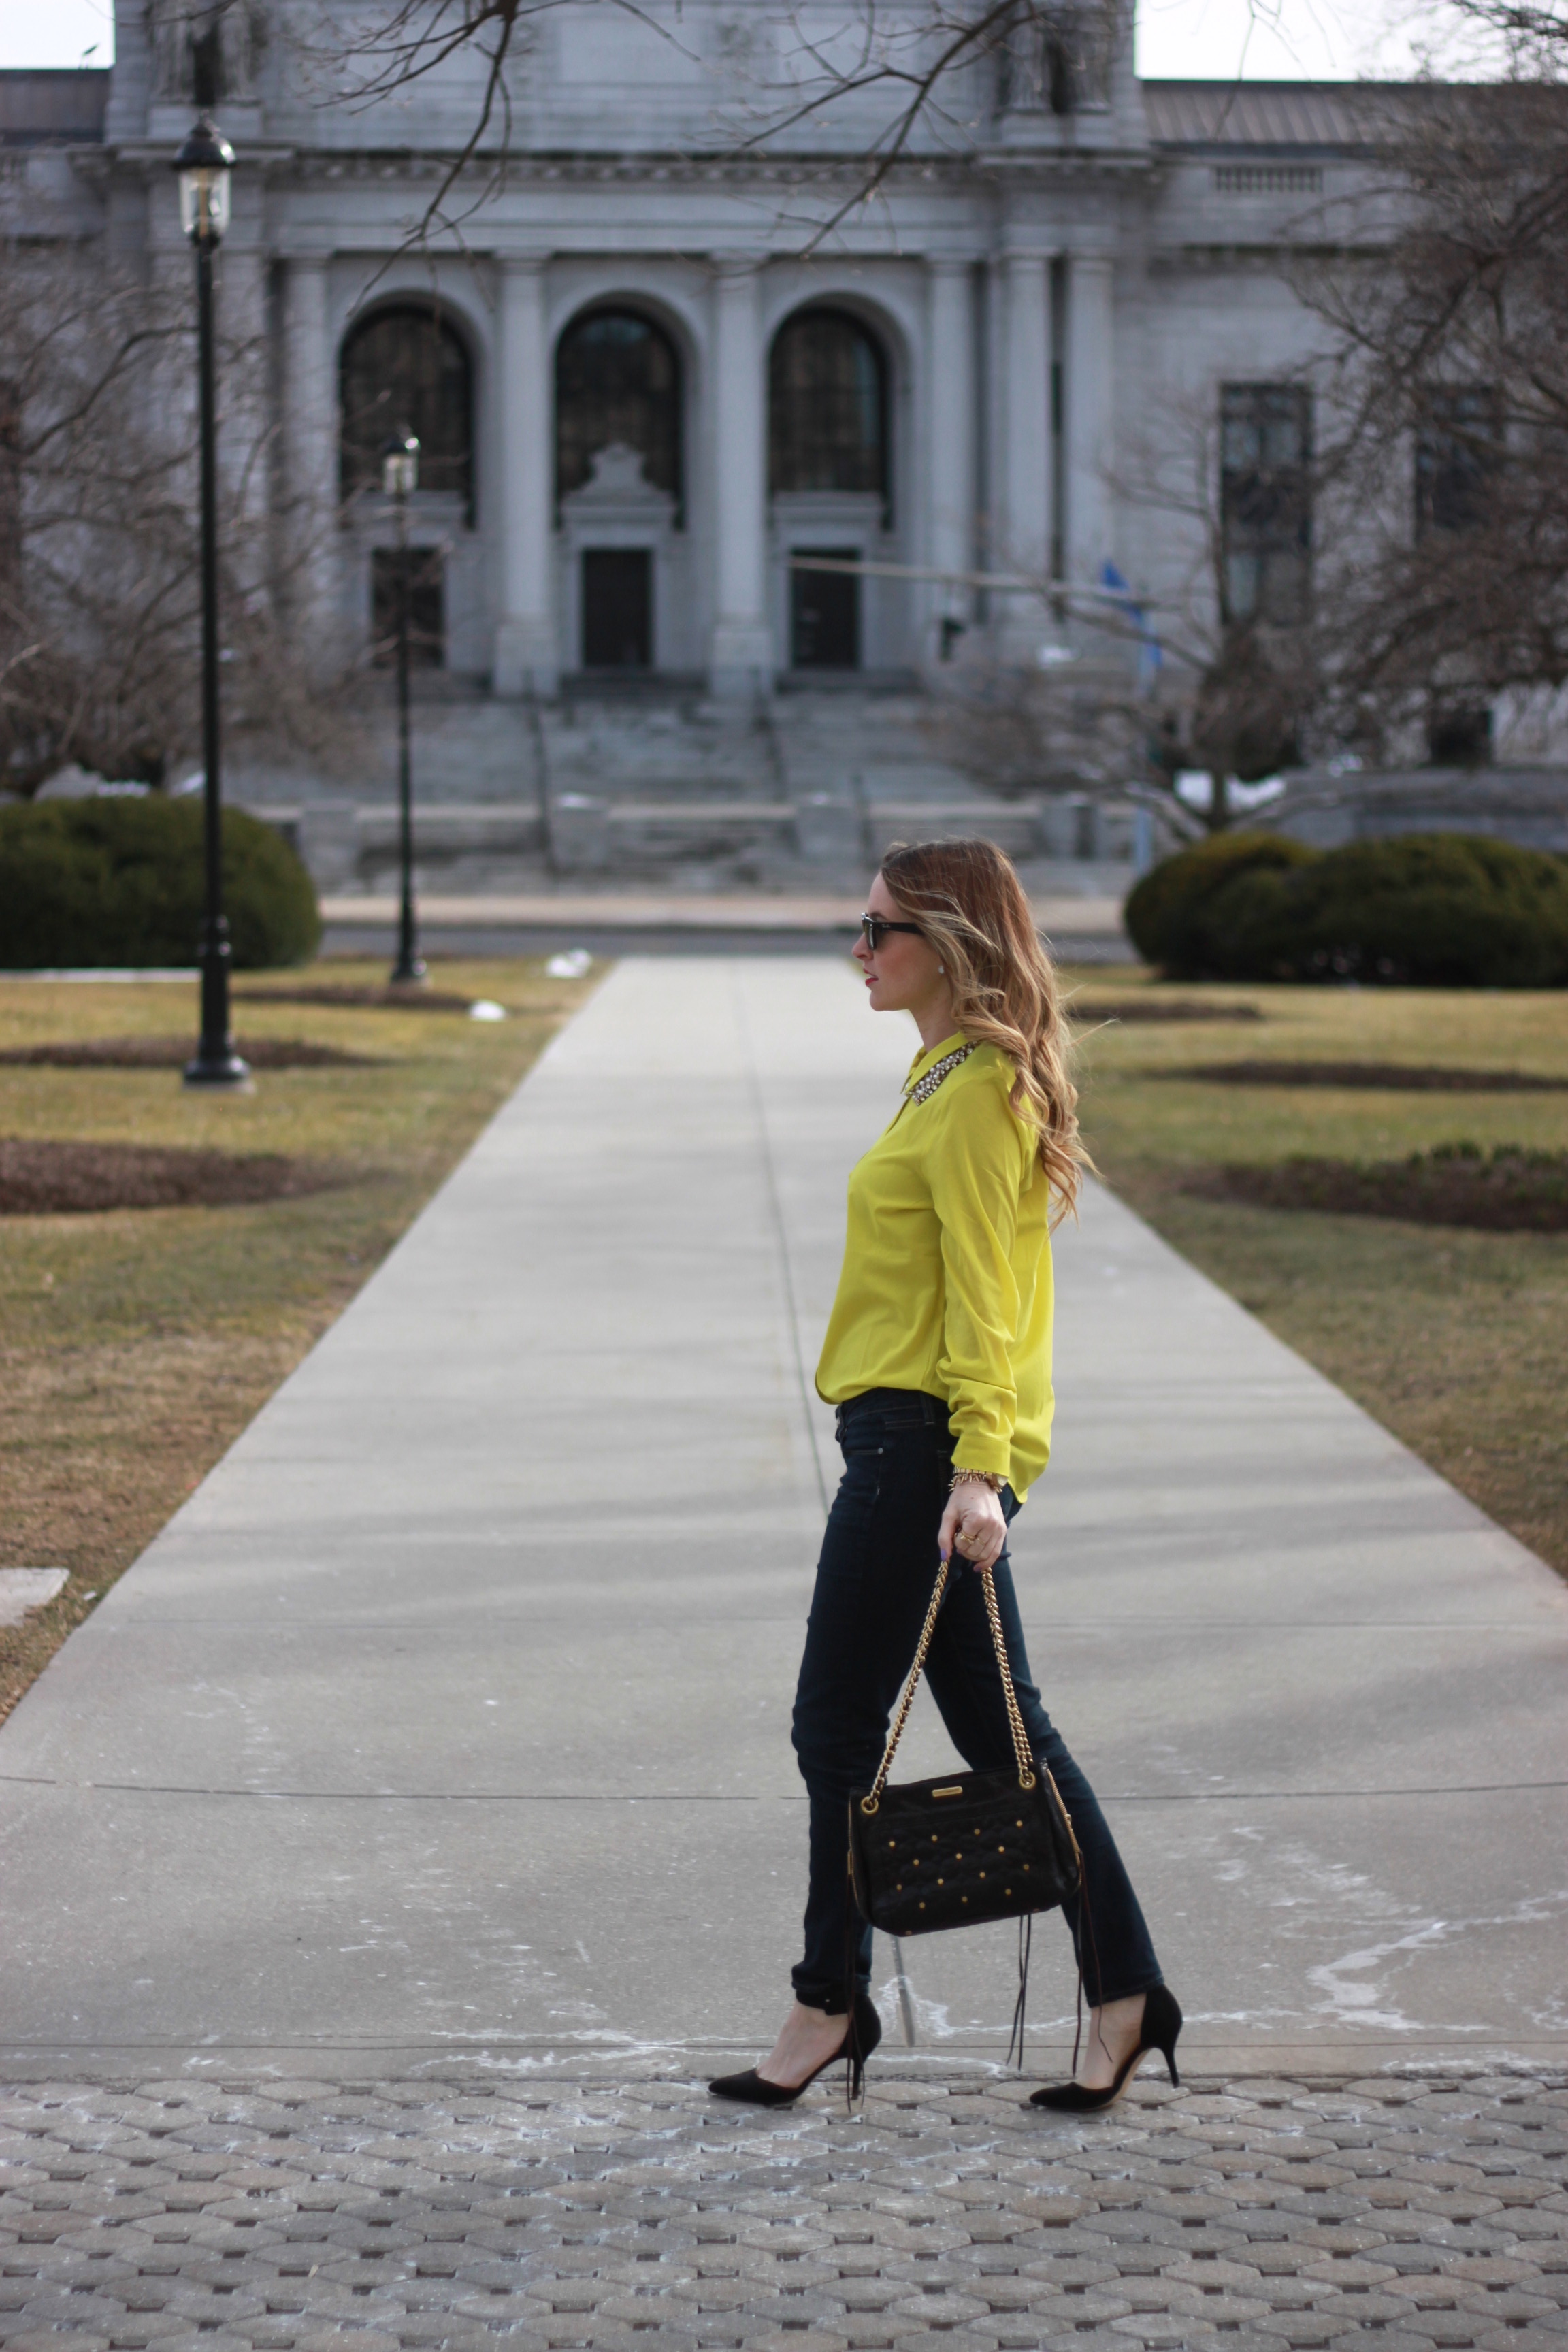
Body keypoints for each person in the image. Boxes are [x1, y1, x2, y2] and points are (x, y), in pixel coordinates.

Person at [708, 838, 1179, 2113]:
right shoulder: (942, 1072)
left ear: (950, 941)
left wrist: (978, 1472)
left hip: (923, 1454)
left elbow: (985, 1298)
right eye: (858, 929)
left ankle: (828, 2000)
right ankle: (1122, 1991)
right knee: (1002, 1727)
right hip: (909, 1442)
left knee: (838, 1731)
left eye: (878, 931)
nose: (858, 952)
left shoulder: (973, 1089)